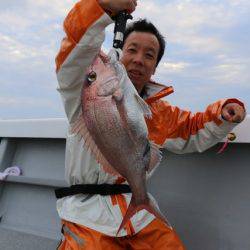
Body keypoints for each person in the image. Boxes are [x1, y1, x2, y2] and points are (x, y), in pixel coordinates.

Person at [55, 0, 246, 249]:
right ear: (120, 53)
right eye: (132, 50)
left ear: (155, 66)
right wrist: (102, 7)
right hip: (86, 215)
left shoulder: (158, 112)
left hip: (140, 213)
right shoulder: (83, 90)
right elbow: (75, 49)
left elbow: (192, 127)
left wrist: (223, 113)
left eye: (149, 55)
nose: (138, 60)